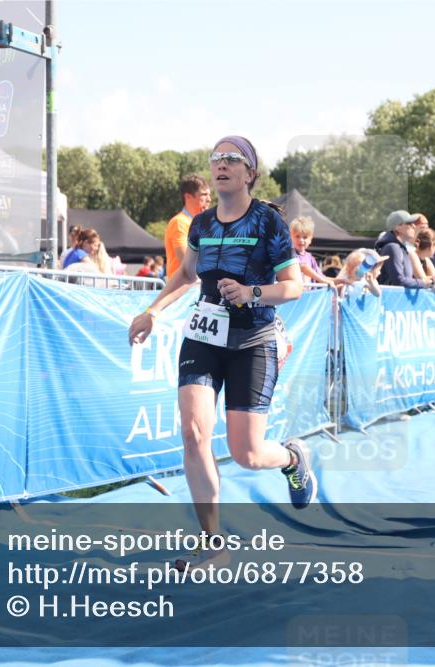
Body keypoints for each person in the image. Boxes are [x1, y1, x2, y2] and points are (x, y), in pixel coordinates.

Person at [127, 136, 316, 567]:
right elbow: (186, 274)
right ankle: (214, 545)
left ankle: (291, 456)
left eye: (233, 159)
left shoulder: (267, 222)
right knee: (193, 434)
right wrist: (152, 310)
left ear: (250, 173)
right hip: (205, 338)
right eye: (216, 159)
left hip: (253, 341)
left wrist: (252, 291)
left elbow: (294, 286)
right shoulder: (202, 224)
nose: (222, 164)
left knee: (247, 454)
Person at [376, 210, 435, 289]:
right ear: (397, 228)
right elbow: (398, 280)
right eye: (409, 223)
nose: (414, 226)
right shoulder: (393, 247)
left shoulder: (400, 248)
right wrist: (423, 282)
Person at [165, 174, 212, 277]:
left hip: (198, 285)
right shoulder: (179, 222)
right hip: (183, 289)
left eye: (209, 195)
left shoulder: (203, 223)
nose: (209, 199)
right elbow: (187, 263)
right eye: (204, 195)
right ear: (188, 197)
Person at [290, 216, 335, 287]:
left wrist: (341, 280)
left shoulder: (310, 258)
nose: (301, 240)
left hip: (310, 296)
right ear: (291, 237)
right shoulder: (289, 254)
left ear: (310, 239)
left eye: (305, 237)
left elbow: (323, 278)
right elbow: (303, 267)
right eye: (297, 236)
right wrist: (324, 281)